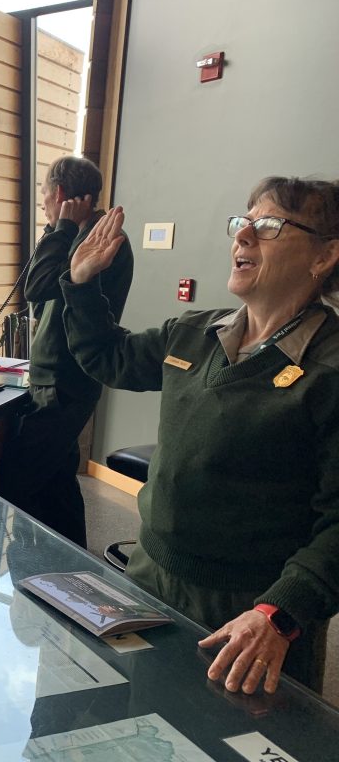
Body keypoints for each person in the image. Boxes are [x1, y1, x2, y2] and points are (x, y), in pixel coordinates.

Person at [61, 176, 339, 694]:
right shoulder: (193, 333)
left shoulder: (330, 370)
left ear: (324, 256)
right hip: (148, 575)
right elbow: (108, 357)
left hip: (250, 614)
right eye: (243, 223)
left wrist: (280, 613)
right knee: (134, 710)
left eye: (270, 225)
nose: (243, 236)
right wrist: (81, 285)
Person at [0, 156, 133, 547]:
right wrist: (58, 228)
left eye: (43, 196)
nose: (43, 206)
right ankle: (75, 572)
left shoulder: (96, 240)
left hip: (63, 383)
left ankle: (30, 573)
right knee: (57, 487)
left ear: (57, 193)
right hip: (61, 379)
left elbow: (35, 286)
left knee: (13, 486)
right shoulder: (83, 234)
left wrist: (62, 226)